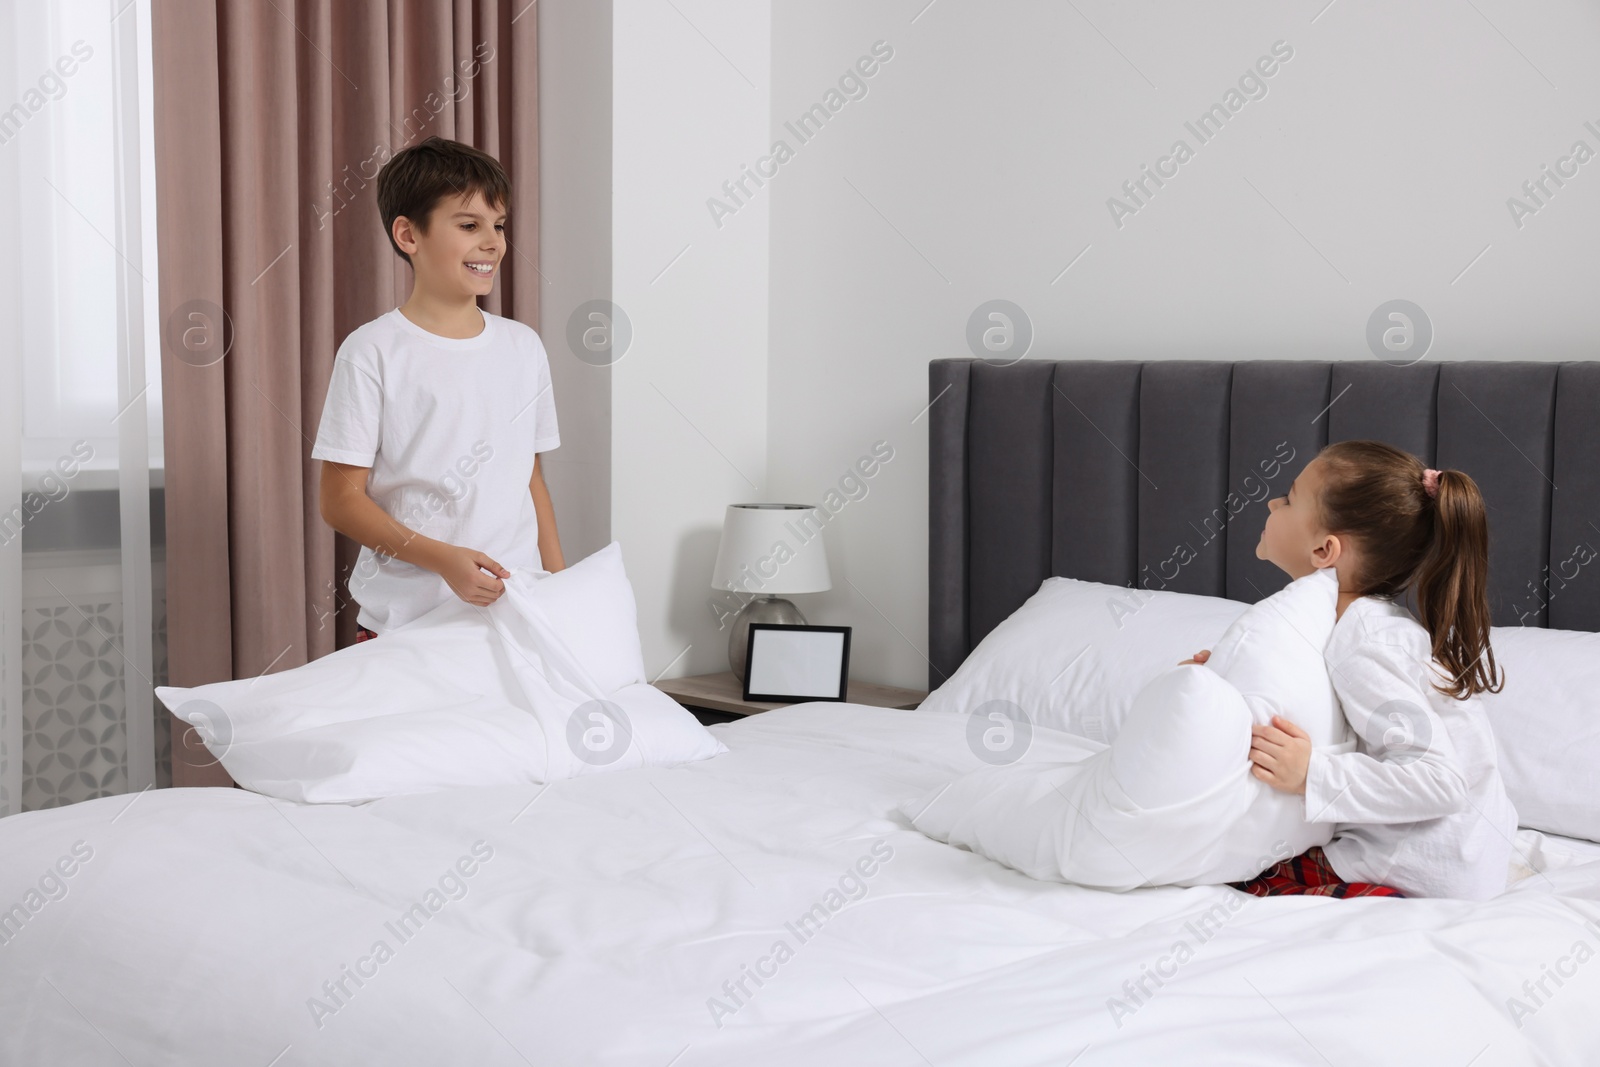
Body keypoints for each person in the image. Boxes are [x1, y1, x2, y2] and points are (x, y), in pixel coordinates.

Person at [1203, 441, 1516, 899]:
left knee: (1227, 874)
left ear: (1324, 549)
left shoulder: (1363, 642)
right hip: (1466, 859)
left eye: (1289, 498)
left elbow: (1439, 781)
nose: (1272, 502)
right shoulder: (1357, 625)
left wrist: (1312, 773)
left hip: (1422, 865)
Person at [311, 136, 564, 644]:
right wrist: (443, 560)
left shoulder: (524, 347)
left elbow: (530, 479)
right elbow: (340, 500)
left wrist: (561, 587)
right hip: (407, 621)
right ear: (408, 234)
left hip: (516, 612)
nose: (492, 241)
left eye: (499, 225)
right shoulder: (372, 351)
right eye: (469, 225)